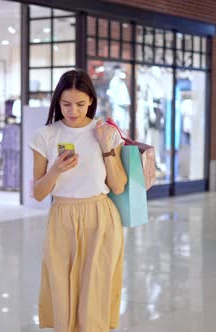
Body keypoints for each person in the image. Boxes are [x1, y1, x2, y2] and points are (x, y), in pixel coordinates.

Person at [29, 69, 128, 331]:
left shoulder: (106, 132)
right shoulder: (46, 135)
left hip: (100, 217)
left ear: (92, 101)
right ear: (57, 102)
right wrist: (56, 171)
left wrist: (106, 145)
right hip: (62, 218)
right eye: (66, 104)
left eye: (81, 104)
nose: (73, 111)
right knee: (62, 292)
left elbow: (118, 186)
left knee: (94, 295)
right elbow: (38, 193)